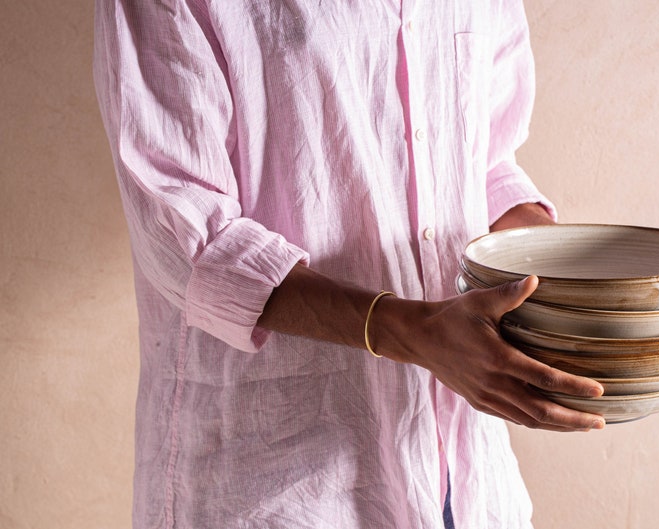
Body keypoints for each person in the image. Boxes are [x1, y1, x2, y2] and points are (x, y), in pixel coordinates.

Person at [94, 1, 605, 527]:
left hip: (462, 473)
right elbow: (187, 238)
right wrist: (415, 332)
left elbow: (485, 163)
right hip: (279, 485)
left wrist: (578, 291)